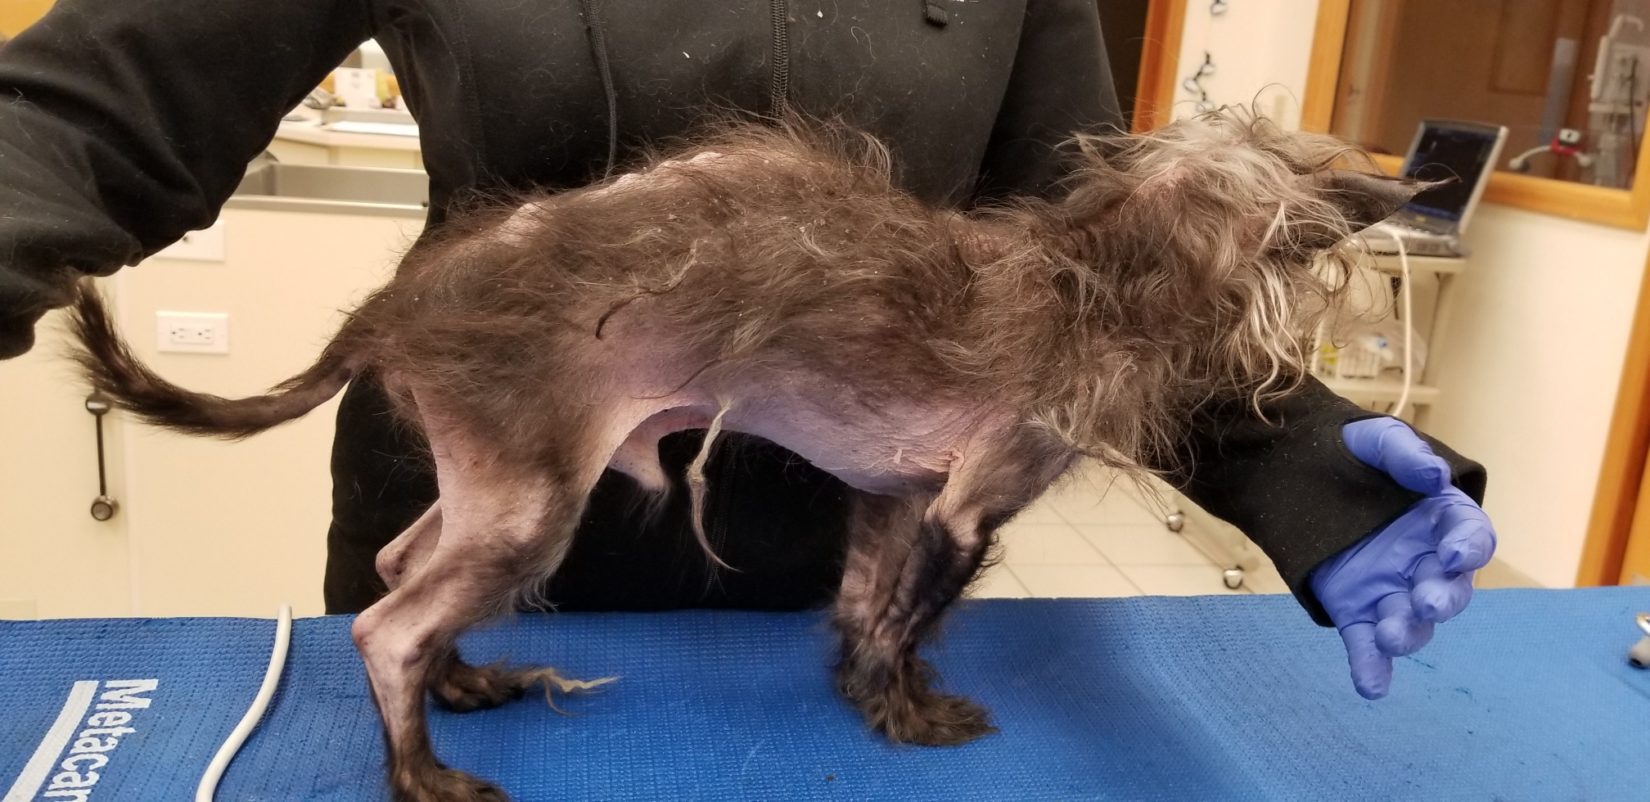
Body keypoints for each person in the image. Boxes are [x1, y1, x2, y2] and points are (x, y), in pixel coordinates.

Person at [0, 0, 1493, 701]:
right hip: (498, 488)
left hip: (813, 597)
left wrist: (1295, 461)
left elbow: (1090, 269)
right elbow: (82, 113)